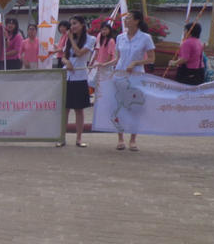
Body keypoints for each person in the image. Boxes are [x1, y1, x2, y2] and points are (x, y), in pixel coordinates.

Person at [103, 10, 155, 151]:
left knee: (135, 108)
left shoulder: (145, 38)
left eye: (129, 18)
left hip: (136, 77)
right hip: (120, 76)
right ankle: (120, 138)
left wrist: (136, 63)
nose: (126, 20)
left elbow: (151, 59)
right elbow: (117, 58)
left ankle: (133, 139)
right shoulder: (120, 37)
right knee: (118, 107)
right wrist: (104, 65)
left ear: (137, 21)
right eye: (125, 18)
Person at [58, 16, 96, 147]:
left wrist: (70, 39)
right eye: (71, 24)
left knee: (79, 109)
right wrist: (66, 61)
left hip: (80, 77)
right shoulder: (70, 39)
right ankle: (61, 137)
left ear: (82, 25)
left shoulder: (91, 39)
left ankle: (79, 138)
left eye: (74, 24)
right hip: (67, 76)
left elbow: (79, 53)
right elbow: (63, 56)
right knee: (65, 108)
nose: (72, 27)